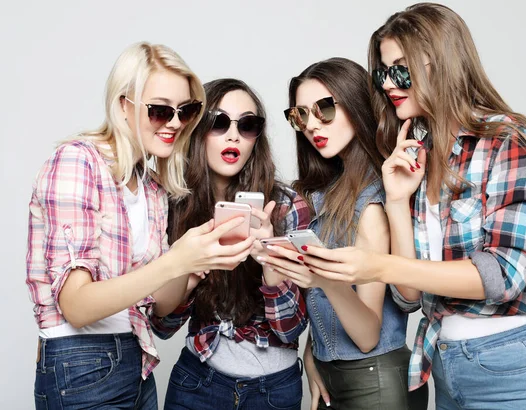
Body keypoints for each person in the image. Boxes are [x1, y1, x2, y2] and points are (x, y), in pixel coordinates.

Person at [299, 3, 526, 409]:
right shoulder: (420, 154)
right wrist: (396, 198)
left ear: (440, 63)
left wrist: (378, 266)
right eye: (383, 72)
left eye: (401, 69)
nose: (389, 83)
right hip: (442, 364)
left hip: (509, 365)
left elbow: (503, 274)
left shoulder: (509, 140)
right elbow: (409, 294)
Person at [26, 43, 254, 409]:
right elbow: (76, 306)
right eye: (160, 110)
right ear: (123, 105)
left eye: (186, 111)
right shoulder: (77, 162)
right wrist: (175, 261)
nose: (176, 123)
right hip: (79, 363)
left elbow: (159, 309)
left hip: (135, 360)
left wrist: (196, 261)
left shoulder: (152, 189)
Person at [264, 58, 428, 410]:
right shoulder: (323, 193)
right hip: (332, 374)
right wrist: (313, 353)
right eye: (300, 115)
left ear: (355, 105)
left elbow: (368, 335)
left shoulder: (372, 204)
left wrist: (323, 278)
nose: (311, 125)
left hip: (374, 380)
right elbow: (327, 310)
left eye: (324, 109)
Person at [150, 78, 310, 410]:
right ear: (197, 131)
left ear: (257, 138)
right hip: (198, 381)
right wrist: (192, 271)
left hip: (275, 392)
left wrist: (269, 259)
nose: (233, 135)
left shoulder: (288, 207)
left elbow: (290, 329)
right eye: (218, 123)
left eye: (247, 125)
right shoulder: (174, 207)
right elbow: (162, 326)